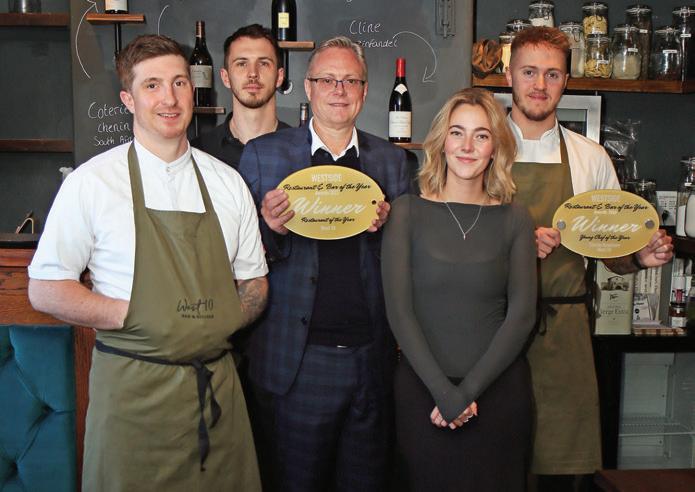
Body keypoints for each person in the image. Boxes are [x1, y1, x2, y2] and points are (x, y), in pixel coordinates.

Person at [27, 34, 268, 491]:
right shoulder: (92, 183)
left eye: (179, 83)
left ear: (192, 90)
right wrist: (133, 314)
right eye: (152, 85)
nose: (169, 98)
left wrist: (220, 318)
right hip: (132, 395)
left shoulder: (227, 183)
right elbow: (45, 288)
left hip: (216, 393)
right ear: (128, 99)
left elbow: (254, 281)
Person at [504, 26, 674, 491]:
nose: (540, 85)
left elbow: (612, 255)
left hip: (565, 330)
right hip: (492, 326)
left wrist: (639, 257)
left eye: (552, 74)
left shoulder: (590, 157)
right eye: (529, 72)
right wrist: (513, 247)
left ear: (566, 80)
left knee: (562, 469)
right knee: (497, 461)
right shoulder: (481, 149)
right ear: (509, 75)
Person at [238, 36, 410, 491]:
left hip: (370, 362)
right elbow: (236, 256)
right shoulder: (263, 155)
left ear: (365, 91)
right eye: (327, 80)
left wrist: (388, 231)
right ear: (308, 87)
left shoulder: (393, 162)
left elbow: (407, 262)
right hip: (296, 364)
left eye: (350, 80)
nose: (339, 89)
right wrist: (269, 229)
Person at [381, 87, 537, 491]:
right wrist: (444, 394)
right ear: (441, 142)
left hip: (498, 393)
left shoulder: (516, 219)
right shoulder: (406, 212)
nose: (467, 146)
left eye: (481, 135)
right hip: (422, 393)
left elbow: (521, 317)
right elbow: (399, 312)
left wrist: (466, 392)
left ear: (495, 148)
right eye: (457, 133)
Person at [192, 23, 290, 168]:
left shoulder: (302, 150)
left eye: (263, 63)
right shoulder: (199, 152)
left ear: (279, 77)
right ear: (226, 77)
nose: (253, 73)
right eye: (242, 64)